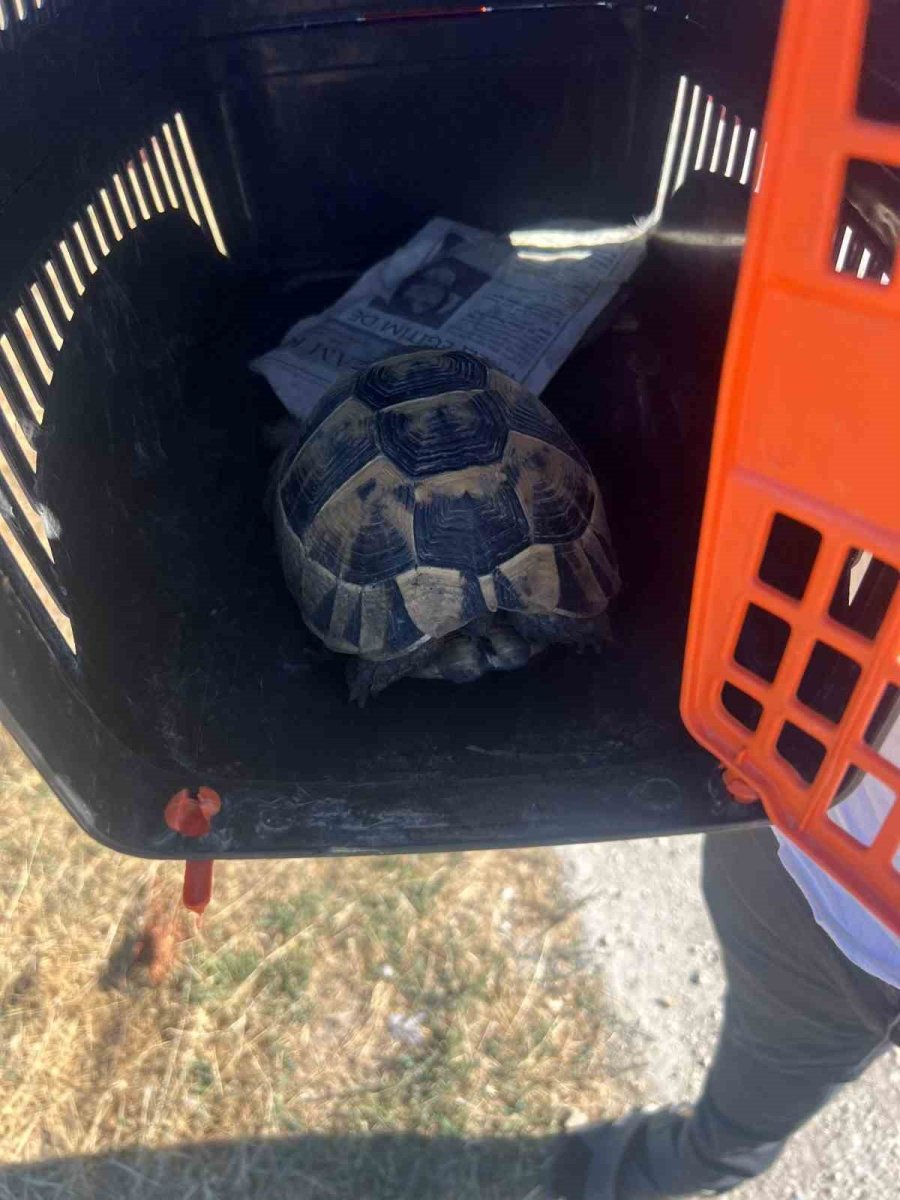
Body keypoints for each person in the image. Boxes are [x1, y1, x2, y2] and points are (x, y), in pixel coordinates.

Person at [550, 727, 900, 1199]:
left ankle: (659, 1171)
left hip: (801, 808)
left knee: (767, 1068)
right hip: (799, 824)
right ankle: (666, 1169)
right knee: (764, 1074)